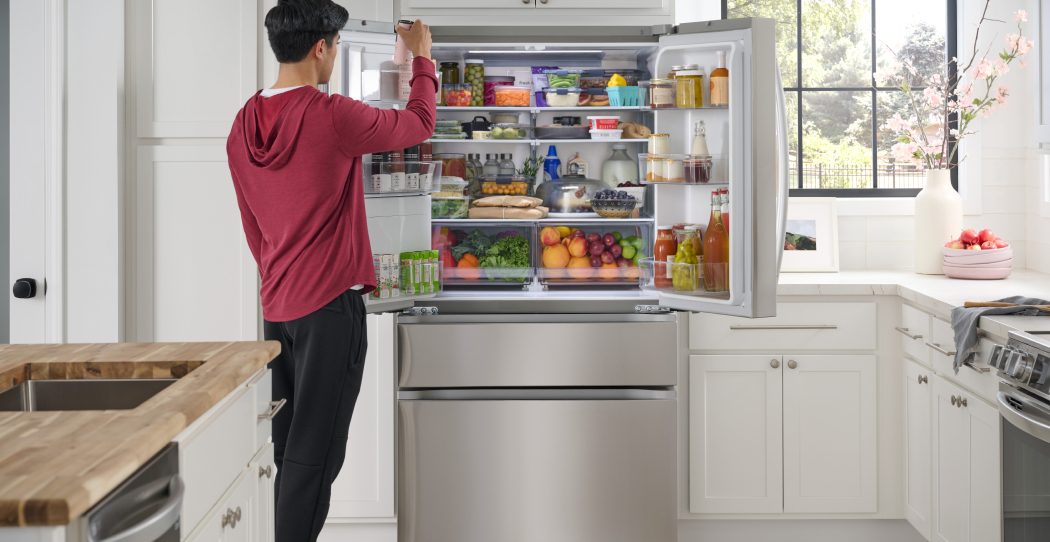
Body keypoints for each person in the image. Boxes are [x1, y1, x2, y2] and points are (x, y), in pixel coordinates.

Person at [225, 1, 436, 539]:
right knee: (315, 456)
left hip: (278, 309)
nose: (337, 55)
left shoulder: (243, 122)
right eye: (338, 46)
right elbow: (417, 124)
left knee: (287, 444)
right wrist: (422, 60)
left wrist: (281, 275)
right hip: (329, 312)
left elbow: (254, 228)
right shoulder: (333, 115)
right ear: (321, 47)